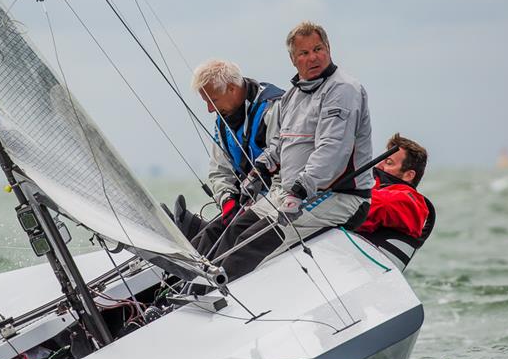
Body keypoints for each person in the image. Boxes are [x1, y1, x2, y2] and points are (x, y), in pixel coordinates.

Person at [210, 21, 374, 282]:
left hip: (338, 196)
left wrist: (299, 190)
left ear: (329, 49)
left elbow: (333, 151)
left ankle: (213, 296)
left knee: (252, 243)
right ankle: (196, 286)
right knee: (236, 229)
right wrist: (259, 170)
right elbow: (278, 145)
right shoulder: (293, 95)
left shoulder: (342, 89)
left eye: (318, 49)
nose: (313, 57)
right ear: (293, 59)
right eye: (304, 53)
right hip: (293, 194)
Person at [182, 60, 284, 254]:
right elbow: (219, 171)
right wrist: (227, 200)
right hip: (247, 200)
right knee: (212, 233)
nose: (210, 110)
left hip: (278, 198)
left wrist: (254, 206)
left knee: (233, 236)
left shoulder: (274, 108)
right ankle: (180, 274)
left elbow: (287, 167)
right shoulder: (222, 122)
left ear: (231, 89)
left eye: (212, 101)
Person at [358, 133, 430, 238]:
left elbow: (383, 203)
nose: (379, 165)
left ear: (409, 175)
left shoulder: (411, 201)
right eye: (382, 160)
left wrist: (346, 194)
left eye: (389, 163)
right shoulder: (371, 188)